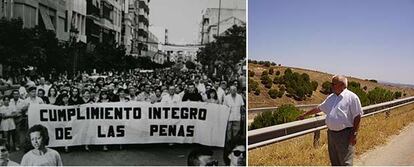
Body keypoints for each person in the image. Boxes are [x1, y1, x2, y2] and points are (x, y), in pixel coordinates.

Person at [297, 75, 363, 166]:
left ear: (341, 84)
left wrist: (354, 134)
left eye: (333, 84)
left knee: (345, 162)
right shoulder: (331, 97)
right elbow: (319, 108)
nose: (331, 86)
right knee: (334, 161)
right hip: (331, 134)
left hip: (345, 134)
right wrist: (304, 115)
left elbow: (357, 116)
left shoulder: (352, 97)